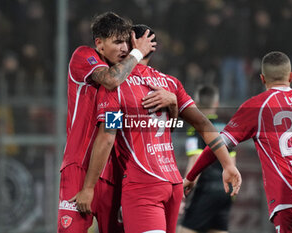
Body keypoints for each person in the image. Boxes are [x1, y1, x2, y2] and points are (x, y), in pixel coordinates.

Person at [73, 24, 241, 233]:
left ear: (131, 46)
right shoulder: (170, 83)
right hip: (172, 183)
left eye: (121, 42)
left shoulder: (116, 87)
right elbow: (203, 124)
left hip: (143, 185)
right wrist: (227, 164)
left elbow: (108, 137)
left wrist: (88, 188)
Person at [184, 51, 292, 233]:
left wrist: (190, 176)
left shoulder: (258, 106)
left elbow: (218, 144)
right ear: (291, 76)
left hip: (291, 198)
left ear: (262, 79)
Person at [57, 12, 156, 233]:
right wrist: (138, 52)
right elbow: (110, 80)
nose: (124, 49)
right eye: (117, 42)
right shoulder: (84, 56)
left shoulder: (125, 79)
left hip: (114, 173)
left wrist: (171, 99)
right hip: (80, 167)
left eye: (127, 44)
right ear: (99, 44)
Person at [179, 85, 236, 233]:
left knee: (184, 230)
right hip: (225, 192)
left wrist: (184, 193)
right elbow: (232, 163)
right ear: (216, 104)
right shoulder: (226, 129)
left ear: (196, 104)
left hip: (206, 190)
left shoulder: (195, 130)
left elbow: (195, 161)